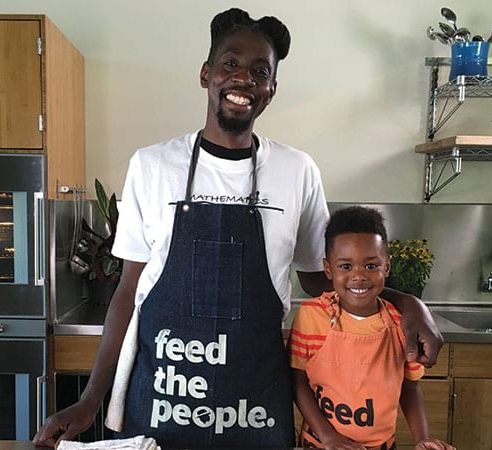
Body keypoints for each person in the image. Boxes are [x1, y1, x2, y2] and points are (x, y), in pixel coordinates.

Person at [34, 8, 443, 448]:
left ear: (271, 90)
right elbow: (128, 292)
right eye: (230, 63)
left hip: (255, 404)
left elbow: (323, 279)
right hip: (164, 401)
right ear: (206, 73)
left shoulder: (296, 171)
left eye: (259, 71)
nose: (243, 78)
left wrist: (409, 303)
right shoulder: (152, 166)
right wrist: (91, 399)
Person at [290, 206, 454, 450]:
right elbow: (297, 381)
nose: (359, 276)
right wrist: (329, 437)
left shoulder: (403, 324)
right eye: (346, 266)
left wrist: (422, 437)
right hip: (321, 444)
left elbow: (409, 386)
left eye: (370, 266)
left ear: (386, 267)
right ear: (328, 269)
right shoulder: (311, 316)